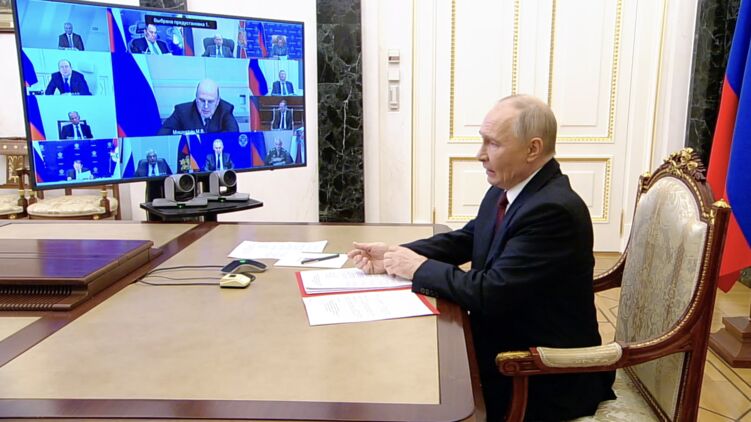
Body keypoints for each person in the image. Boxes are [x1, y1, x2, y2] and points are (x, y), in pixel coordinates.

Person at [347, 95, 616, 421]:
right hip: (503, 345)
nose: (480, 154)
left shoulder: (553, 210)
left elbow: (491, 291)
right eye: (482, 141)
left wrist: (417, 267)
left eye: (493, 143)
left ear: (532, 149)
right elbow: (469, 238)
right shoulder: (510, 188)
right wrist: (394, 254)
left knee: (409, 384)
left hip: (538, 373)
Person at [158, 79, 239, 135]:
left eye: (210, 101)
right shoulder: (182, 112)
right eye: (202, 100)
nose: (206, 106)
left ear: (218, 101)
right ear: (196, 98)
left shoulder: (225, 110)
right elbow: (162, 135)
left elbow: (234, 136)